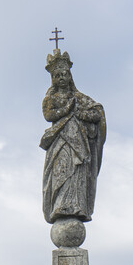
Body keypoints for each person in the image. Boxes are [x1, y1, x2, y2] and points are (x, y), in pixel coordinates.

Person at [40, 49, 106, 225]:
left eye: (64, 74)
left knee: (76, 173)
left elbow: (97, 113)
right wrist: (67, 110)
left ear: (70, 76)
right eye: (57, 75)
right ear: (53, 78)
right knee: (62, 171)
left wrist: (81, 114)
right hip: (60, 142)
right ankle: (60, 205)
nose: (61, 77)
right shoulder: (50, 98)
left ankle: (76, 205)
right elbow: (49, 116)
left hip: (78, 143)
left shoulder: (79, 98)